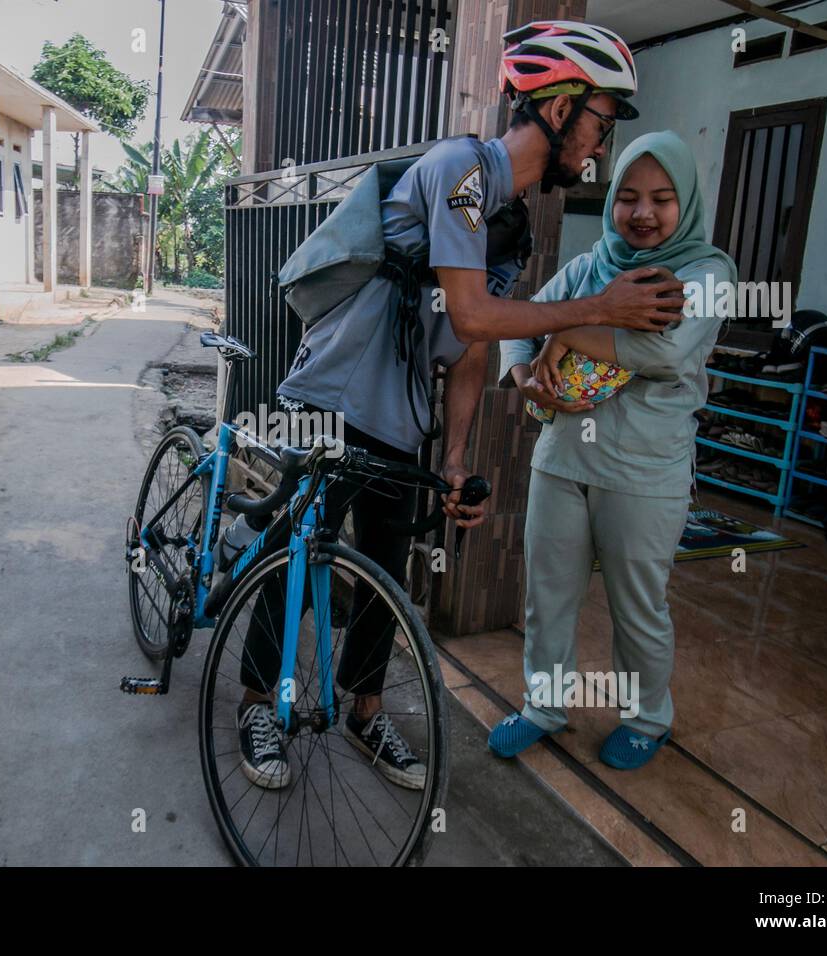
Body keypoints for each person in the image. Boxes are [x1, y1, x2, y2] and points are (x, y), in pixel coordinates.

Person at [235, 21, 686, 792]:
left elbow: (471, 350)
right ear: (557, 104)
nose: (599, 149)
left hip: (400, 418)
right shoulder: (461, 171)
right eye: (600, 125)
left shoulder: (507, 222)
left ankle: (365, 711)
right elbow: (476, 315)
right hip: (333, 392)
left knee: (385, 568)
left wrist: (453, 459)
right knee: (296, 552)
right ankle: (257, 706)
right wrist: (599, 310)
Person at [491, 130, 738, 770]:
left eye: (660, 198)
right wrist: (525, 373)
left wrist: (568, 328)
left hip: (646, 471)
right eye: (627, 197)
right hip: (563, 460)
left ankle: (648, 718)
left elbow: (663, 351)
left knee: (638, 607)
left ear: (685, 202)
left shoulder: (707, 272)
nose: (642, 213)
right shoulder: (591, 266)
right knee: (546, 598)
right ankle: (544, 707)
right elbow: (520, 324)